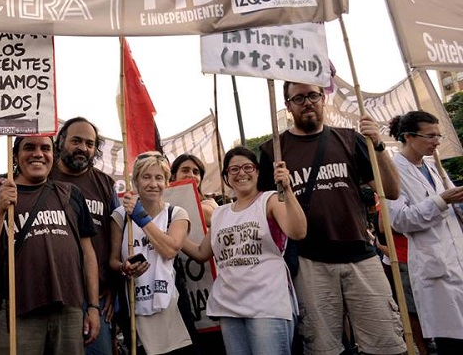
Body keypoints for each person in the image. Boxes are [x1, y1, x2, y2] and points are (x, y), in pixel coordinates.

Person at [258, 81, 406, 355]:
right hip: (308, 261)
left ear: (323, 98)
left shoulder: (351, 139)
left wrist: (378, 146)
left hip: (361, 256)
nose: (307, 102)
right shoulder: (272, 152)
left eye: (313, 95)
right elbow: (268, 215)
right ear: (288, 105)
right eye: (298, 98)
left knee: (386, 343)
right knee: (323, 348)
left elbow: (392, 191)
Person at [0, 136, 100, 355]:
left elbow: (88, 255)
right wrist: (0, 209)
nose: (38, 154)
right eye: (29, 147)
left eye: (45, 148)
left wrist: (93, 307)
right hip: (18, 310)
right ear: (15, 156)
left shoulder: (70, 194)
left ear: (53, 155)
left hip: (69, 310)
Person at [184, 146, 306, 354]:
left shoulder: (270, 200)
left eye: (247, 167)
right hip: (230, 308)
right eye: (234, 169)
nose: (241, 173)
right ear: (226, 177)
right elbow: (201, 253)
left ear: (257, 171)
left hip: (267, 306)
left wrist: (287, 190)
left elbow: (298, 231)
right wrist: (167, 233)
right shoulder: (220, 213)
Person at [387, 111, 463, 354]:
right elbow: (399, 220)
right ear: (408, 136)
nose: (437, 141)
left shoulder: (434, 167)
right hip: (434, 268)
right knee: (451, 342)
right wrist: (441, 201)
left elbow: (454, 207)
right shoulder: (394, 171)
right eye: (430, 136)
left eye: (438, 135)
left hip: (457, 259)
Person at [110, 151, 192, 355]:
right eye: (146, 177)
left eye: (159, 178)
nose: (153, 184)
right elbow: (111, 260)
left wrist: (142, 218)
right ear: (136, 180)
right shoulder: (120, 216)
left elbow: (170, 249)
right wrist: (124, 267)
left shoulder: (176, 214)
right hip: (134, 304)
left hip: (170, 306)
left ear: (167, 182)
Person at [50, 117, 119, 355]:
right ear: (61, 142)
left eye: (90, 144)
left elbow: (115, 236)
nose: (83, 148)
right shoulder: (44, 175)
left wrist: (113, 285)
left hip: (95, 299)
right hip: (52, 297)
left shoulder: (106, 184)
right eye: (76, 141)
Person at [170, 154, 220, 227]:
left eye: (196, 172)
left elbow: (202, 212)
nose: (191, 175)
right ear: (174, 176)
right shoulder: (164, 202)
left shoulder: (209, 204)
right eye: (185, 171)